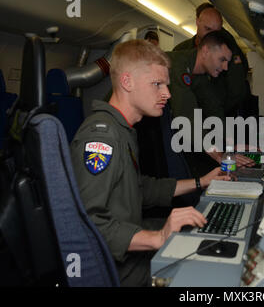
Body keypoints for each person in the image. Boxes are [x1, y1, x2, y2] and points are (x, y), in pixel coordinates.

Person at [70, 39, 229, 287]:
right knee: (213, 276)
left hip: (128, 250)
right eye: (157, 84)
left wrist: (201, 181)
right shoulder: (102, 138)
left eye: (166, 84)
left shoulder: (123, 130)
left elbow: (139, 189)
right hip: (119, 271)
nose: (167, 93)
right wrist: (158, 238)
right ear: (127, 82)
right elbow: (85, 224)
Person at [167, 30, 254, 178]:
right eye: (222, 60)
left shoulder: (199, 76)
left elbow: (213, 109)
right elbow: (187, 117)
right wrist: (220, 156)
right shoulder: (178, 66)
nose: (226, 67)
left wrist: (232, 144)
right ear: (206, 51)